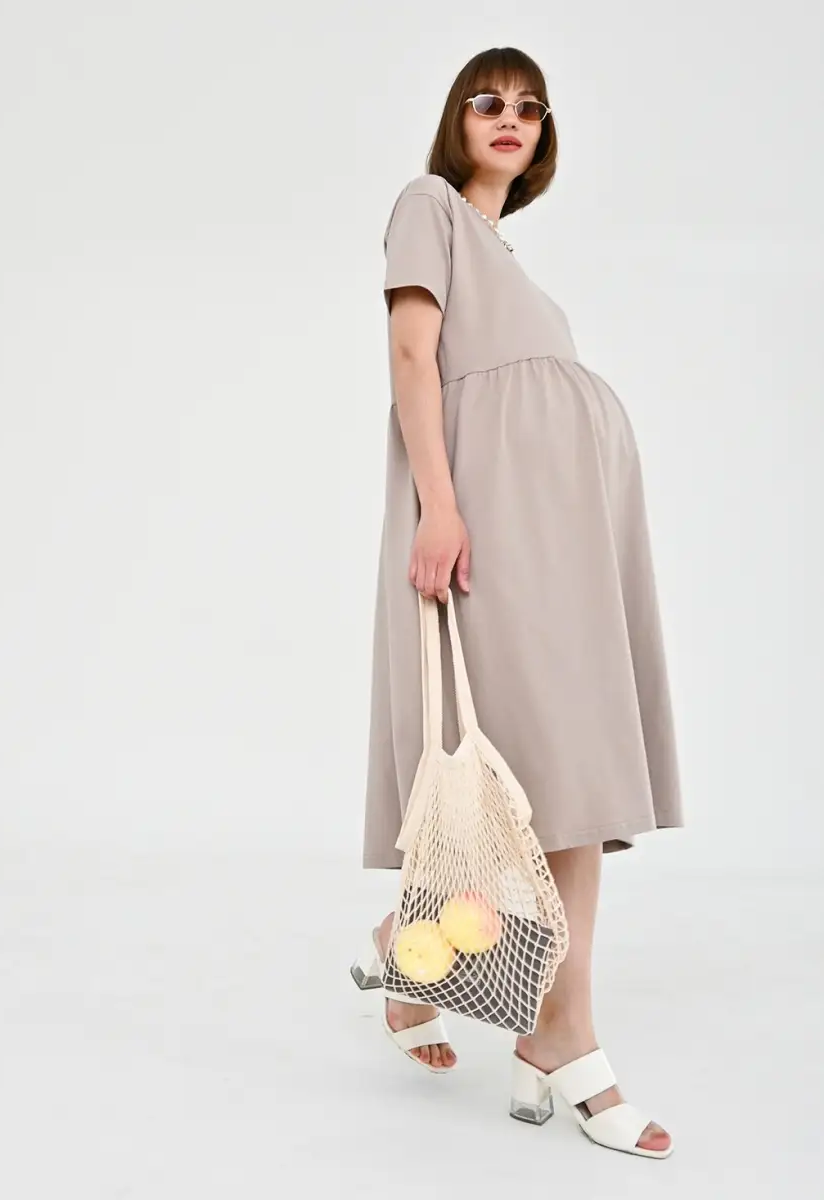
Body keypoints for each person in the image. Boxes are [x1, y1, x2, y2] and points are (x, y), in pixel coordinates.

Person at [355, 47, 684, 1160]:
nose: (512, 118)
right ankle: (558, 1031)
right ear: (457, 119)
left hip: (561, 535)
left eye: (531, 108)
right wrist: (440, 507)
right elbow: (413, 356)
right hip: (490, 525)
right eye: (489, 101)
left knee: (576, 772)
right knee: (541, 767)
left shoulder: (507, 257)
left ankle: (435, 958)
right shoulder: (430, 207)